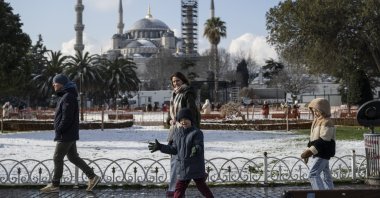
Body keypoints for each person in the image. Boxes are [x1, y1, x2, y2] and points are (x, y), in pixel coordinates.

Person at [40, 74, 101, 193]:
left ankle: (55, 185)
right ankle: (92, 177)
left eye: (55, 83)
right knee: (73, 157)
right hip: (69, 133)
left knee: (57, 158)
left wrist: (59, 129)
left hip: (66, 134)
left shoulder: (67, 97)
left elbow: (67, 117)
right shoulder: (67, 96)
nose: (53, 85)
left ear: (62, 84)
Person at [149, 108, 214, 198]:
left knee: (202, 187)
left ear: (191, 120)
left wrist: (196, 149)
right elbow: (173, 149)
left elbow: (199, 145)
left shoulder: (196, 133)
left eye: (186, 119)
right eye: (181, 120)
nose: (184, 121)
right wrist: (160, 147)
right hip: (183, 168)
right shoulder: (177, 134)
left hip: (195, 166)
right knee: (179, 189)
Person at [165, 72, 200, 196]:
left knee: (179, 163)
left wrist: (190, 131)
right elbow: (172, 113)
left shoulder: (187, 93)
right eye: (173, 81)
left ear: (183, 81)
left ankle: (175, 191)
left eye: (178, 81)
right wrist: (169, 119)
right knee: (175, 162)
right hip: (175, 131)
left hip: (184, 132)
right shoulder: (174, 94)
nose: (175, 83)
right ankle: (176, 191)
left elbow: (191, 113)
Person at [301, 98, 336, 190]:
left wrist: (310, 152)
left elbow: (324, 140)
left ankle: (320, 194)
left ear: (323, 110)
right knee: (326, 175)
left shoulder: (327, 122)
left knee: (313, 174)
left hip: (322, 152)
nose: (315, 113)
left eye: (317, 111)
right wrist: (307, 151)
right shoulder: (317, 121)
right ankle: (330, 194)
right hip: (319, 152)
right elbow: (312, 139)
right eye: (314, 111)